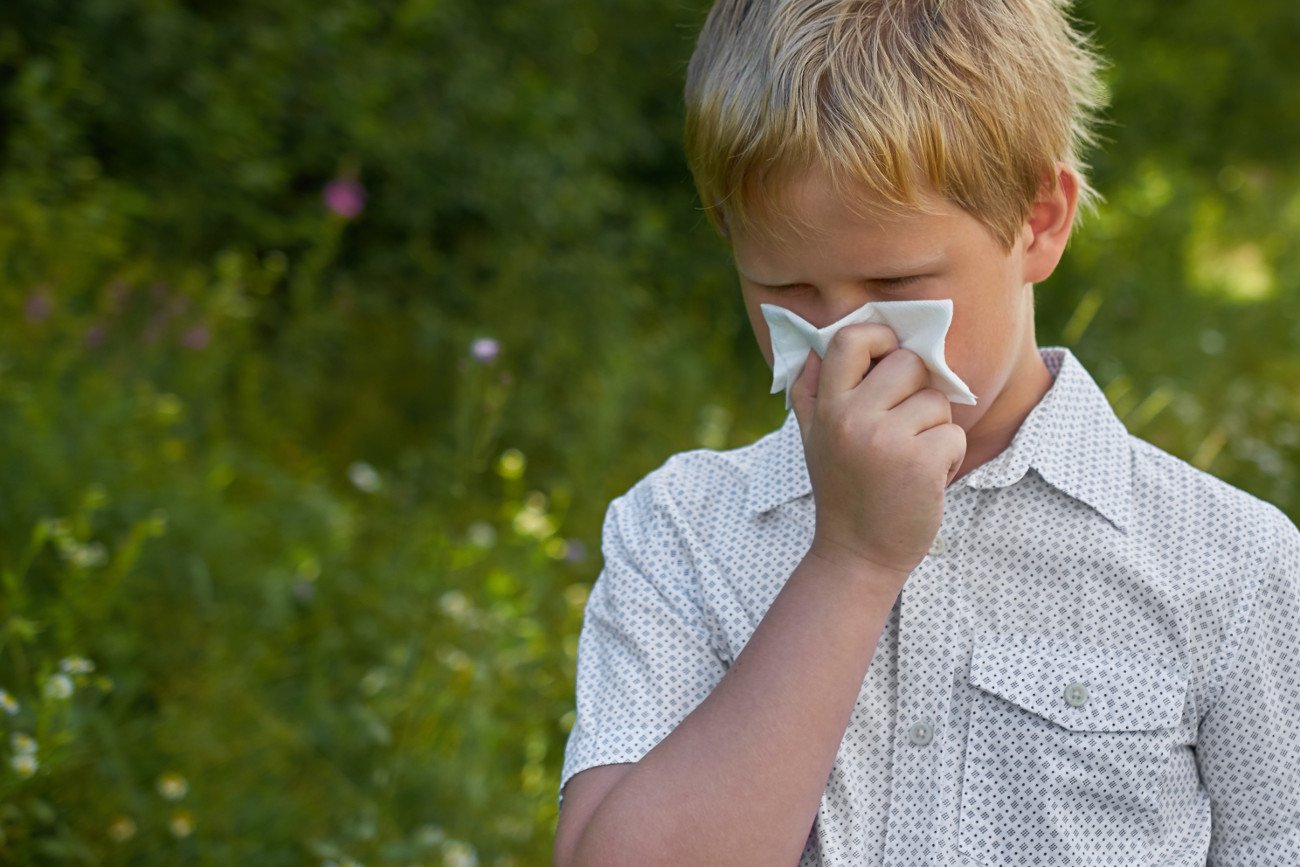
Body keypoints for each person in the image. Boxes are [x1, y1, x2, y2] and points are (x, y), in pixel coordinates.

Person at [552, 1, 1300, 864]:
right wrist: (851, 559)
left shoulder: (1229, 566)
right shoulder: (682, 531)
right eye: (786, 290)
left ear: (1040, 222)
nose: (847, 343)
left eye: (896, 281)